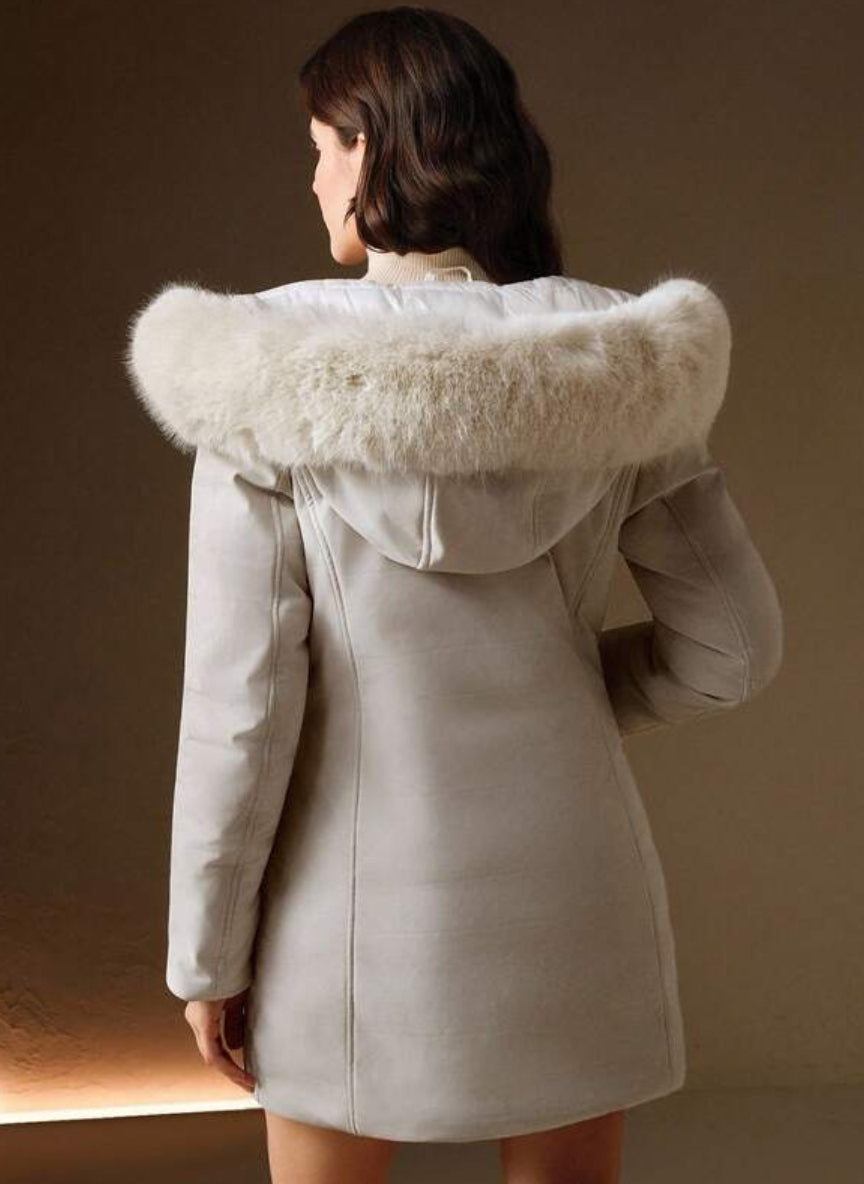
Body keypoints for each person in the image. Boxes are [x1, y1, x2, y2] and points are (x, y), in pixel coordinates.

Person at [124, 7, 784, 1183]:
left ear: (373, 148)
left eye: (322, 145)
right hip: (579, 903)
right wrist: (571, 687)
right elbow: (733, 646)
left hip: (342, 921)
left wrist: (205, 959)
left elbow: (242, 711)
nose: (312, 176)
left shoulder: (264, 376)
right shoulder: (615, 365)